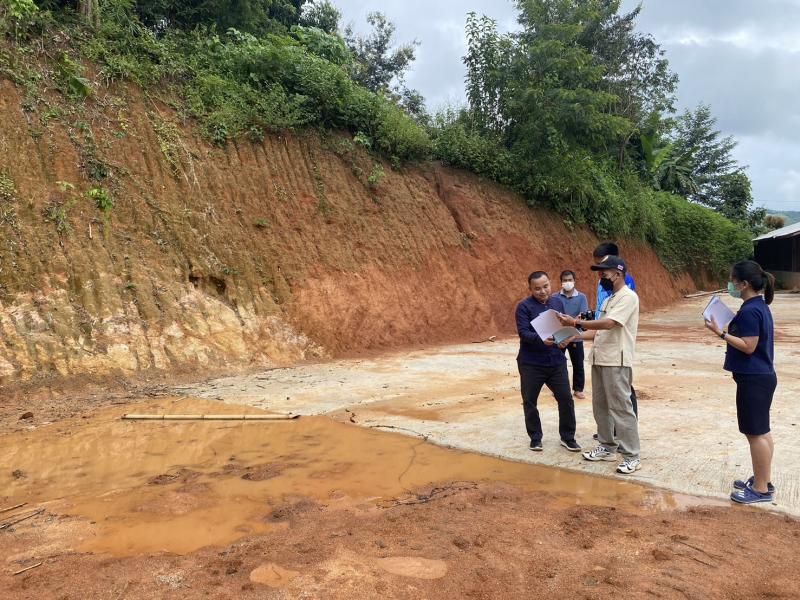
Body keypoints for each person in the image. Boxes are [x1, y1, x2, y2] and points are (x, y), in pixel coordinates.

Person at [557, 257, 641, 475]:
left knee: (621, 408)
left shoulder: (628, 297)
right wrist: (571, 336)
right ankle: (607, 447)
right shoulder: (608, 300)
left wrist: (575, 322)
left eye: (604, 273)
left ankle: (632, 456)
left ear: (617, 274)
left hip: (616, 361)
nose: (600, 277)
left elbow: (610, 324)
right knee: (600, 407)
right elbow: (596, 331)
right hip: (600, 358)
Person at [704, 260, 777, 504]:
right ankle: (763, 480)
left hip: (754, 380)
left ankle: (760, 489)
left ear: (744, 284)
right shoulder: (757, 306)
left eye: (733, 280)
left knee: (755, 434)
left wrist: (721, 333)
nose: (730, 284)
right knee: (762, 432)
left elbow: (749, 346)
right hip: (760, 377)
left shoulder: (750, 311)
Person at [515, 271, 581, 452]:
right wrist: (540, 339)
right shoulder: (523, 307)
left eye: (545, 286)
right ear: (530, 289)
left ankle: (568, 437)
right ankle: (535, 438)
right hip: (531, 363)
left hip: (556, 361)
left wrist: (565, 339)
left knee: (566, 399)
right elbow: (523, 333)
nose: (542, 291)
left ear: (550, 284)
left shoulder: (557, 302)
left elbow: (562, 327)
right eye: (537, 288)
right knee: (530, 401)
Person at [592, 242, 639, 421]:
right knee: (604, 399)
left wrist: (578, 323)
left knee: (621, 397)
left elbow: (614, 319)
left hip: (616, 347)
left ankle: (625, 430)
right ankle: (608, 431)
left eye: (602, 266)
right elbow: (602, 308)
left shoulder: (626, 287)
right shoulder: (604, 284)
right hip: (601, 340)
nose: (600, 273)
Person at [554, 270, 588, 400]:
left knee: (578, 364)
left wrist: (572, 336)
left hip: (576, 337)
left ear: (574, 281)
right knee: (558, 364)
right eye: (565, 280)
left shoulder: (581, 297)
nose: (567, 282)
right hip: (559, 336)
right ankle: (559, 388)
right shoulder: (555, 297)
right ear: (561, 282)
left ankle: (578, 389)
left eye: (570, 280)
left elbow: (582, 318)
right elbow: (554, 317)